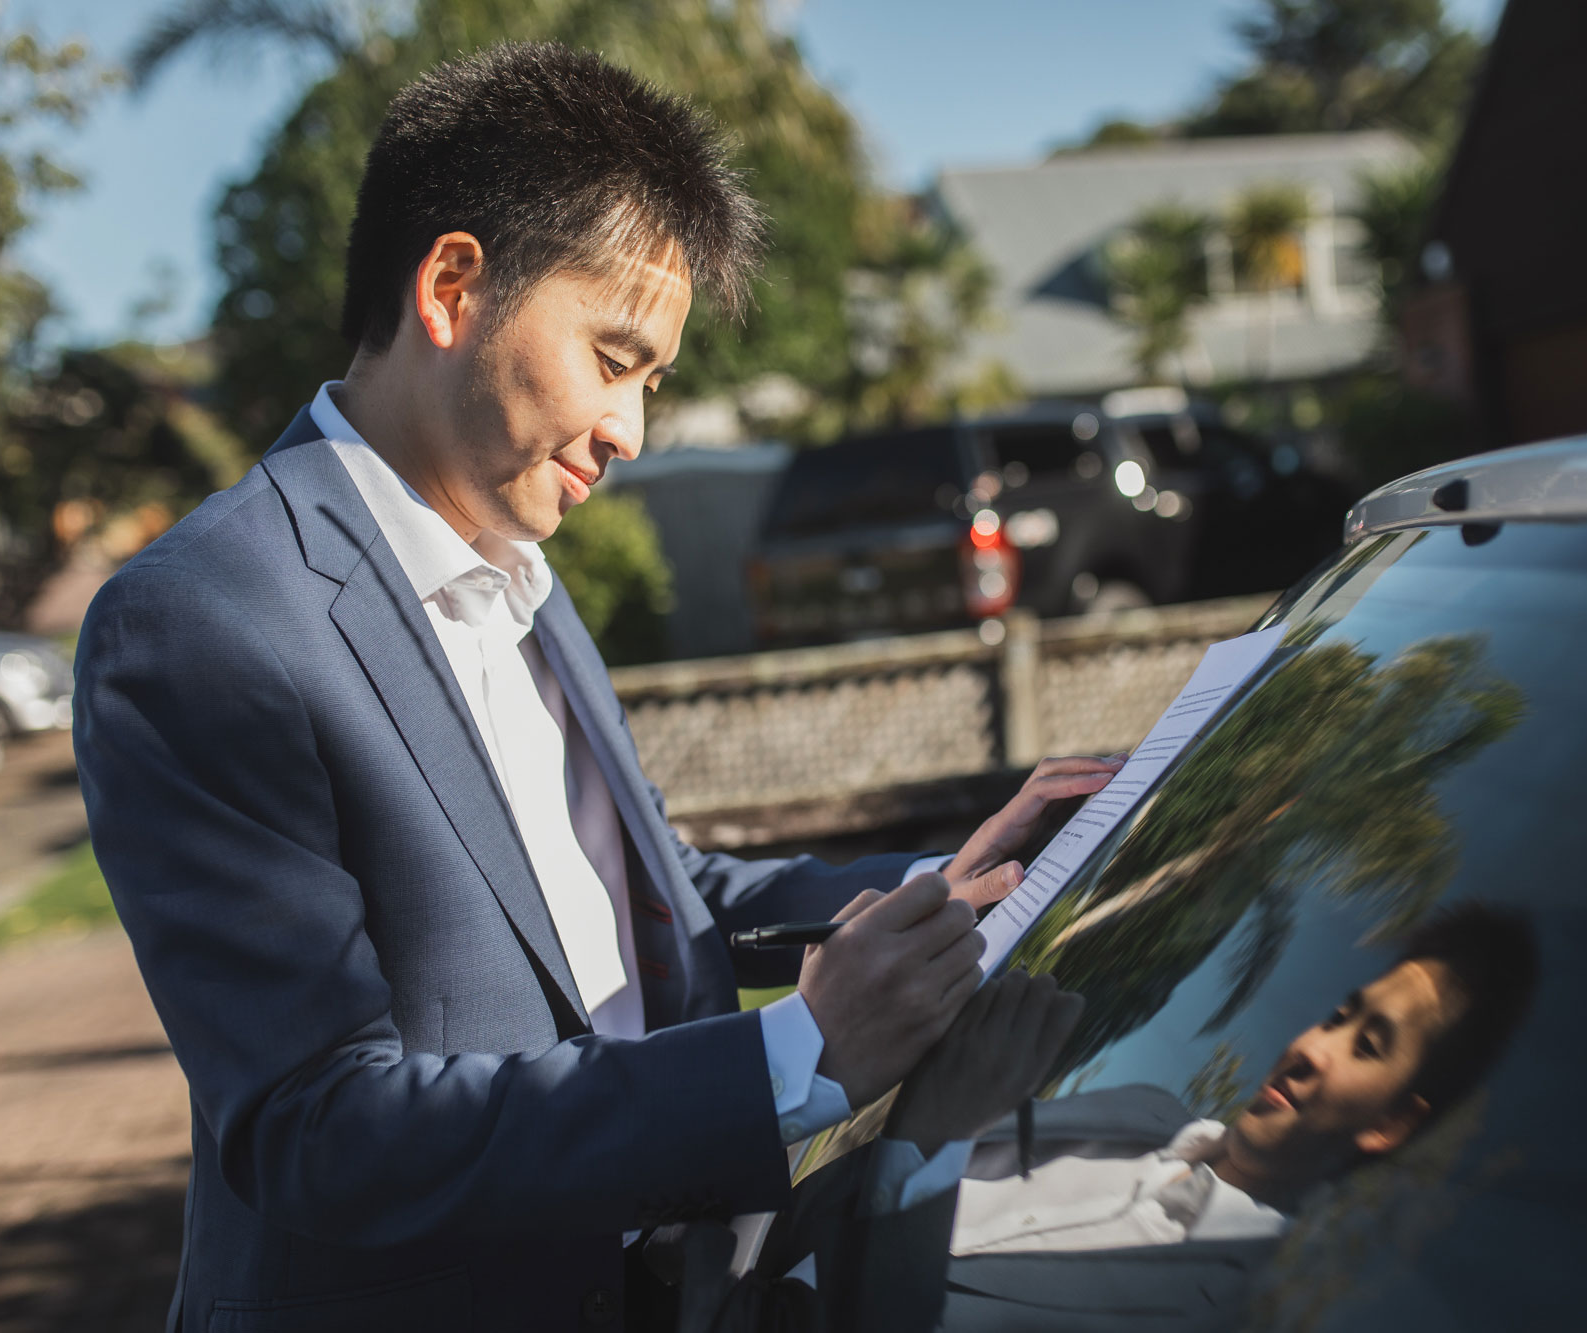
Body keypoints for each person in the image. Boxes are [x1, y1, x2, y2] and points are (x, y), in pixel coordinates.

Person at [72, 42, 1122, 1333]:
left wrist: (955, 880)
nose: (630, 431)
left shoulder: (521, 570)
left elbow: (653, 905)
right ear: (454, 285)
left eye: (653, 382)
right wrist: (799, 1056)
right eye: (614, 358)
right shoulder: (204, 617)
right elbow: (317, 1128)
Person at [734, 902, 1538, 1331]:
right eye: (1336, 1013)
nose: (1311, 1047)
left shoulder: (1243, 1310)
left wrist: (930, 1138)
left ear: (1390, 1125)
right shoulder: (1143, 1107)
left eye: (1366, 1044)